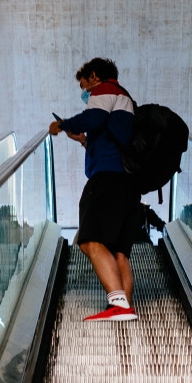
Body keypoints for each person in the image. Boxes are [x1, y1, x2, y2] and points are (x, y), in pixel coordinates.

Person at [49, 57, 141, 322]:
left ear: (92, 76)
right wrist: (84, 141)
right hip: (128, 183)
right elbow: (113, 137)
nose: (84, 92)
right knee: (119, 252)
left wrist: (63, 125)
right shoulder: (126, 100)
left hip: (107, 179)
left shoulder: (105, 89)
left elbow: (95, 116)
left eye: (83, 86)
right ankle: (126, 307)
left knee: (88, 240)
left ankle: (118, 306)